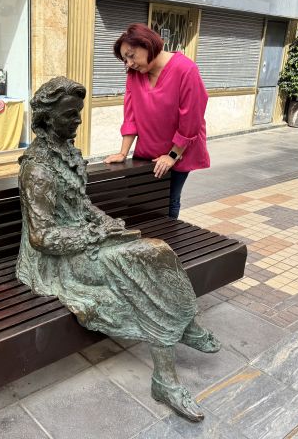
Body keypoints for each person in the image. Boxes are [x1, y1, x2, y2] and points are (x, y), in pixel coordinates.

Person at [17, 76, 220, 422]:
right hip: (56, 261)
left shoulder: (67, 152)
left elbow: (81, 205)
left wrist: (105, 221)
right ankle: (166, 378)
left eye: (78, 113)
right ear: (48, 119)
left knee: (159, 252)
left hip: (83, 241)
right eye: (70, 115)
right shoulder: (38, 168)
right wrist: (95, 237)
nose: (78, 120)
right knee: (144, 267)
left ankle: (184, 323)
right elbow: (42, 237)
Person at [104, 23, 209, 219]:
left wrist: (172, 155)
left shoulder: (185, 70)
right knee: (140, 200)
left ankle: (167, 244)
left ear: (148, 44)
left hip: (179, 152)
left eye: (131, 55)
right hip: (147, 151)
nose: (129, 63)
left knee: (169, 199)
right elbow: (131, 115)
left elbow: (191, 118)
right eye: (125, 59)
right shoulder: (135, 75)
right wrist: (123, 152)